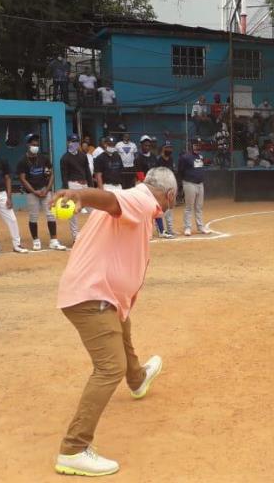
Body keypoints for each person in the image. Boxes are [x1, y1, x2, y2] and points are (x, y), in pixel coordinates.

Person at [49, 167, 174, 477]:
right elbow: (110, 200)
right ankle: (73, 449)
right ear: (170, 195)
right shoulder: (142, 200)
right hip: (94, 296)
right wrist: (80, 196)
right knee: (109, 367)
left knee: (122, 327)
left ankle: (138, 378)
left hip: (104, 295)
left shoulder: (140, 203)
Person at [17, 134, 66, 251]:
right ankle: (36, 240)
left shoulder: (44, 158)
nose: (35, 146)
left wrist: (47, 189)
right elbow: (23, 179)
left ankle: (54, 241)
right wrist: (34, 191)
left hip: (45, 191)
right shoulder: (22, 161)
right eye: (33, 144)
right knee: (33, 216)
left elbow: (51, 174)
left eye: (37, 144)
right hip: (32, 193)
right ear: (28, 145)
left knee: (51, 215)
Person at [60, 134, 93, 244]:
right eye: (72, 141)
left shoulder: (83, 156)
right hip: (72, 185)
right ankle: (75, 237)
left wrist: (91, 186)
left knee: (93, 211)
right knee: (73, 212)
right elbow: (64, 176)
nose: (75, 143)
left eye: (76, 141)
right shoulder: (64, 158)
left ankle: (93, 234)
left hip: (84, 185)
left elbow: (87, 172)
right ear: (68, 143)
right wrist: (66, 191)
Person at [178, 141, 208, 236]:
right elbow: (180, 170)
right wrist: (183, 183)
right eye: (195, 145)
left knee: (199, 207)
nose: (197, 147)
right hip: (189, 183)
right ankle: (187, 228)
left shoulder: (200, 156)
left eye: (199, 145)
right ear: (191, 146)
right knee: (189, 207)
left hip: (200, 184)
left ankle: (200, 227)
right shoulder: (185, 157)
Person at [155, 141, 176, 238]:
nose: (169, 149)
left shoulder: (171, 159)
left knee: (169, 209)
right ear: (163, 149)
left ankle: (170, 229)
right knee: (160, 209)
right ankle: (161, 230)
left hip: (170, 186)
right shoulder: (158, 160)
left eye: (170, 147)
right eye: (167, 147)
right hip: (161, 187)